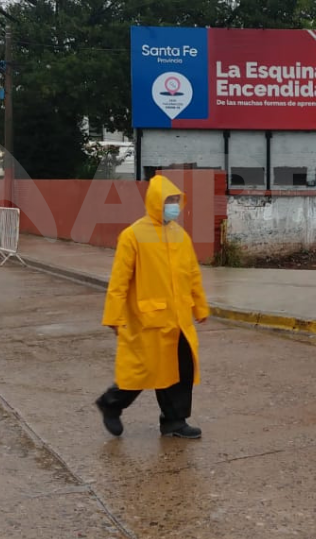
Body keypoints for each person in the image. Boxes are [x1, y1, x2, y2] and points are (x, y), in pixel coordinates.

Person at [95, 175, 209, 439]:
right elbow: (119, 281)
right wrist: (114, 316)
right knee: (143, 370)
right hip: (146, 319)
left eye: (176, 201)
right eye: (168, 200)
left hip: (178, 319)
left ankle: (174, 421)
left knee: (180, 370)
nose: (174, 206)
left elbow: (192, 274)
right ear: (155, 201)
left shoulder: (180, 236)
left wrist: (200, 307)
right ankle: (110, 404)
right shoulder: (133, 235)